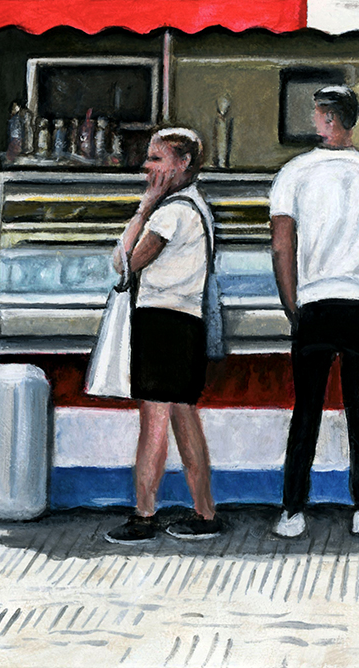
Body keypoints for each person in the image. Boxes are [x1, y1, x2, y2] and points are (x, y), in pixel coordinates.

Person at [269, 85, 359, 537]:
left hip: (315, 304)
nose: (313, 121)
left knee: (306, 411)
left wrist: (293, 305)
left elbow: (282, 247)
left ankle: (293, 513)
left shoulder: (292, 173)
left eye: (316, 114)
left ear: (329, 118)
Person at [106, 128, 221, 544]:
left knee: (153, 422)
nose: (148, 167)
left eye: (157, 159)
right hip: (186, 322)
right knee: (184, 418)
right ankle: (205, 513)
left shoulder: (169, 212)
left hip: (161, 322)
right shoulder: (198, 207)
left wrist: (144, 207)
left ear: (182, 164)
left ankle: (143, 515)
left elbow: (124, 263)